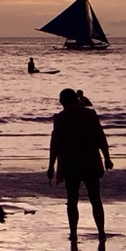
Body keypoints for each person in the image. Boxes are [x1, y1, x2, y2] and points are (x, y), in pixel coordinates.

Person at [47, 88, 112, 240]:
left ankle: (74, 234)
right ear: (76, 99)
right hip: (90, 162)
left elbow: (55, 144)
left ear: (62, 102)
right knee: (95, 199)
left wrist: (51, 166)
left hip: (71, 164)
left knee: (72, 201)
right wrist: (107, 157)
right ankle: (101, 232)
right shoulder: (90, 115)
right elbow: (100, 137)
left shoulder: (60, 118)